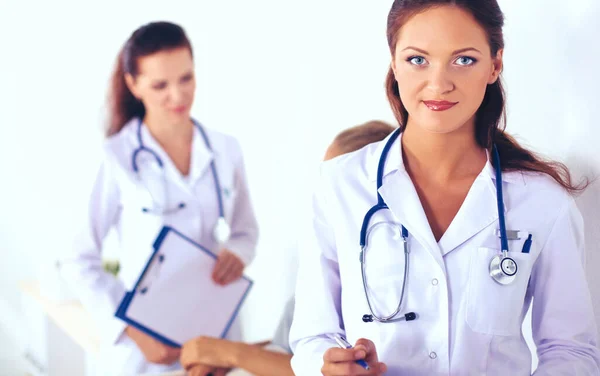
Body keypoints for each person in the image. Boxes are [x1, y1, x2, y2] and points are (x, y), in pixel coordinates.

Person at [289, 1, 600, 375]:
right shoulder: (338, 185)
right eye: (418, 59)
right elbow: (311, 338)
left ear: (494, 64)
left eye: (464, 60)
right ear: (393, 61)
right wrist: (330, 367)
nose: (438, 83)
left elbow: (570, 351)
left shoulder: (542, 202)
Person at [60, 21, 259, 375]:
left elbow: (245, 230)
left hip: (215, 331)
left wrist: (238, 254)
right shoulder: (115, 157)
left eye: (186, 79)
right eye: (160, 85)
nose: (178, 96)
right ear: (133, 84)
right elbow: (78, 260)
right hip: (147, 346)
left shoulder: (225, 149)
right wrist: (132, 331)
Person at [180, 120, 395, 376]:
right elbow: (297, 348)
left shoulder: (387, 277)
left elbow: (323, 369)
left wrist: (229, 353)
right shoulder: (326, 260)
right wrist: (227, 356)